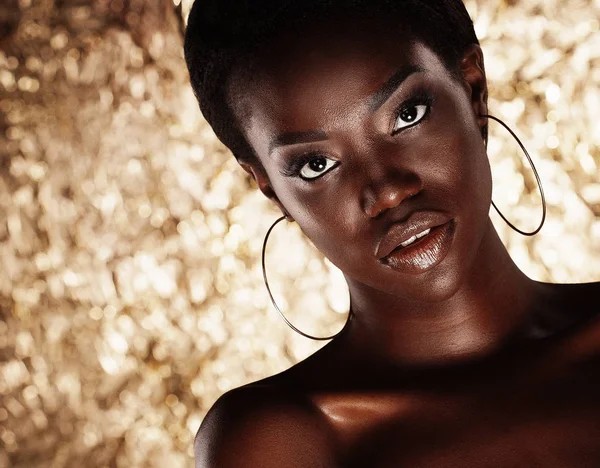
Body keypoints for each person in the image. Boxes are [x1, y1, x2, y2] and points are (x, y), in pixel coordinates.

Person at [184, 1, 600, 466]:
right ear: (270, 188)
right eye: (316, 165)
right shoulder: (287, 441)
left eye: (407, 114)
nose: (386, 193)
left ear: (473, 90)